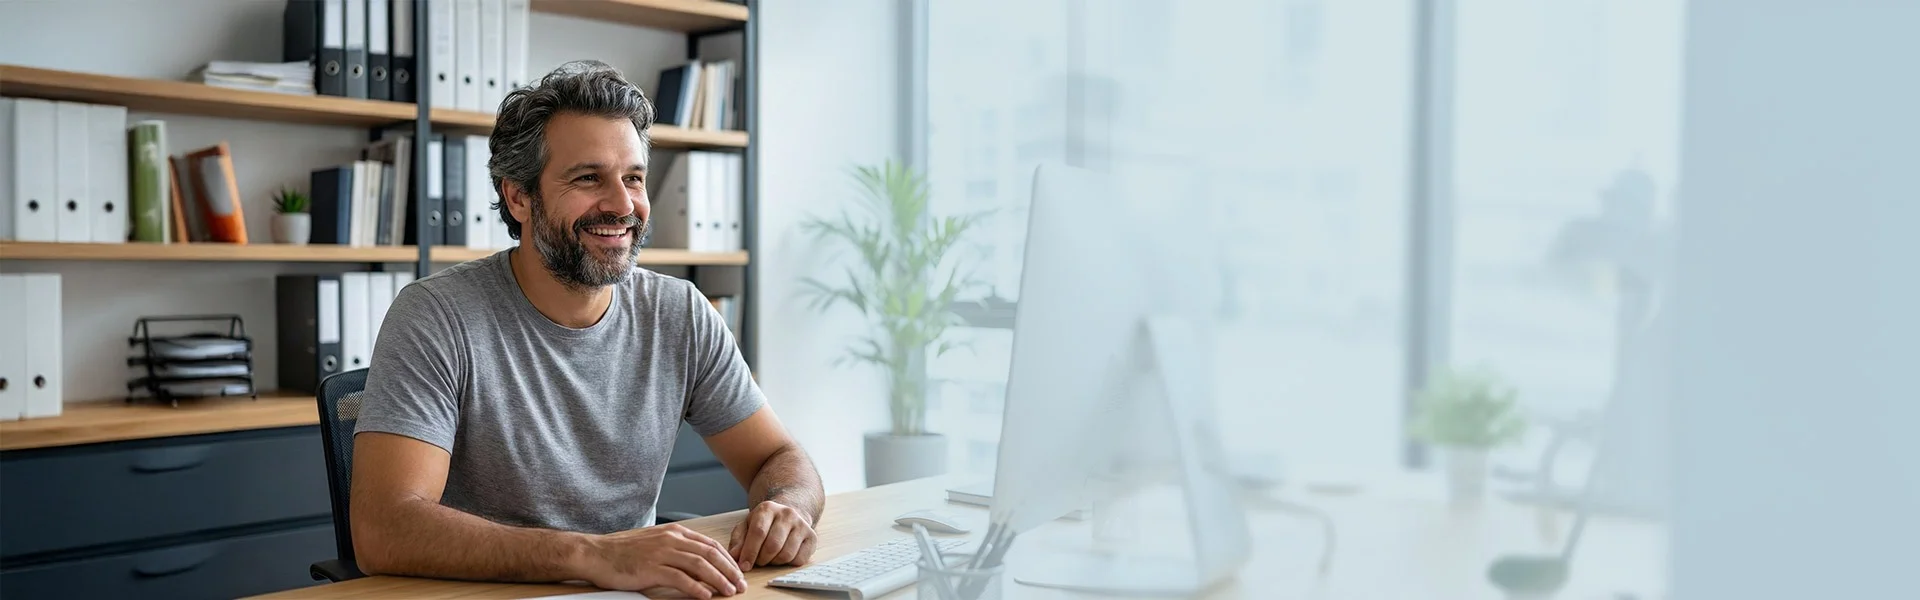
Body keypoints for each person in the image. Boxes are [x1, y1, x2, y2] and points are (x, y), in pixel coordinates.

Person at [349, 61, 820, 600]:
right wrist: (594, 555)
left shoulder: (680, 312)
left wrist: (787, 507)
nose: (623, 205)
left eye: (634, 178)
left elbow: (778, 458)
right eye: (588, 178)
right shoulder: (437, 316)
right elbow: (384, 528)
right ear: (519, 197)